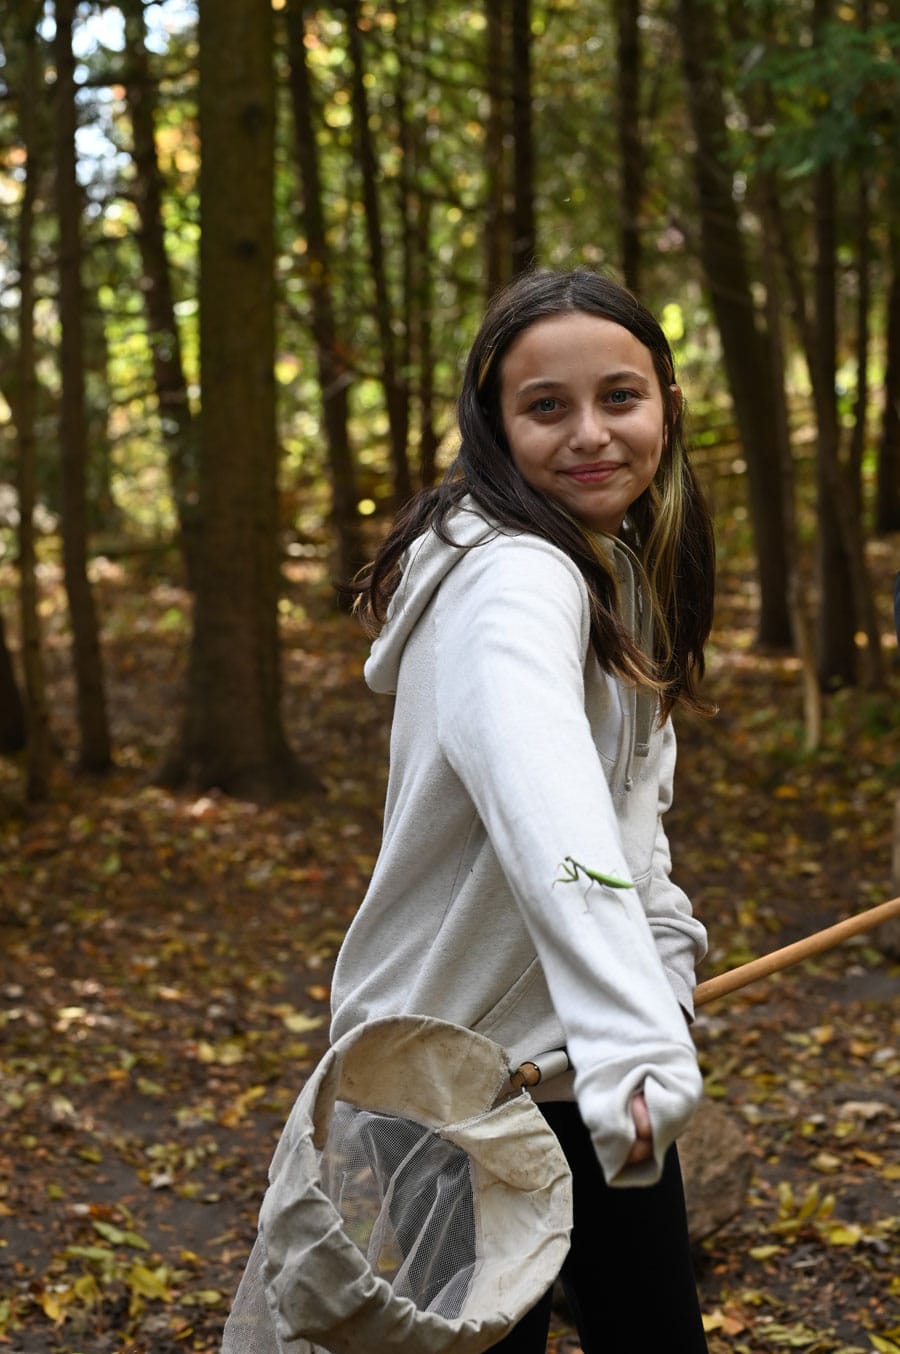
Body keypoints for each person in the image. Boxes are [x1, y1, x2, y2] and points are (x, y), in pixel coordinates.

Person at [330, 266, 716, 1353]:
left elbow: (628, 821)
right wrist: (633, 1030)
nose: (591, 434)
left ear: (666, 407)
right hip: (458, 1078)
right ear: (496, 427)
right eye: (547, 407)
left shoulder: (611, 568)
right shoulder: (512, 585)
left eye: (621, 398)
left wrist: (663, 967)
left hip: (578, 1060)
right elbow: (551, 813)